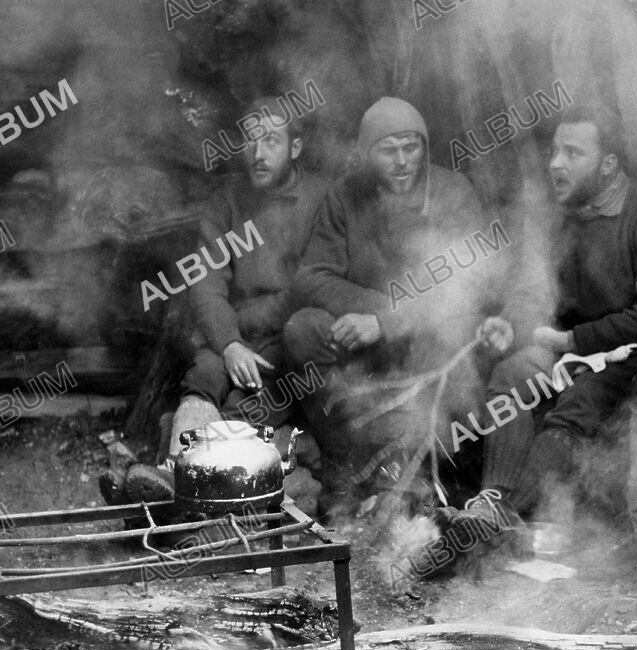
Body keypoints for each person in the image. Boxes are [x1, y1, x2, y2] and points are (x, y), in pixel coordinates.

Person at [449, 103, 637, 537]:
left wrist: (573, 340)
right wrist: (512, 325)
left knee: (579, 401)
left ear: (609, 165)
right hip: (569, 349)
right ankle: (493, 499)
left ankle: (509, 517)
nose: (556, 163)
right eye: (555, 151)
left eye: (573, 153)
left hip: (636, 355)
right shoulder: (558, 215)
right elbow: (537, 291)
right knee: (512, 373)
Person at [284, 97, 512, 524]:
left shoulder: (452, 192)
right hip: (368, 346)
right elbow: (311, 278)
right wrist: (375, 316)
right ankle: (347, 468)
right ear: (367, 153)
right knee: (303, 329)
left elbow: (473, 286)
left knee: (455, 326)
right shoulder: (345, 196)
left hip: (434, 339)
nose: (404, 161)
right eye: (389, 150)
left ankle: (409, 481)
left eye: (412, 147)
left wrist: (386, 322)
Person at [118, 97, 330, 502]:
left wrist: (243, 331)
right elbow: (207, 283)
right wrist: (230, 343)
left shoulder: (321, 199)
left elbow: (313, 284)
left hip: (289, 339)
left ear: (296, 148)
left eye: (272, 142)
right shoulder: (227, 202)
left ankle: (190, 490)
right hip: (234, 336)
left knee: (243, 407)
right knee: (202, 378)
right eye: (251, 141)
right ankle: (171, 479)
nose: (258, 153)